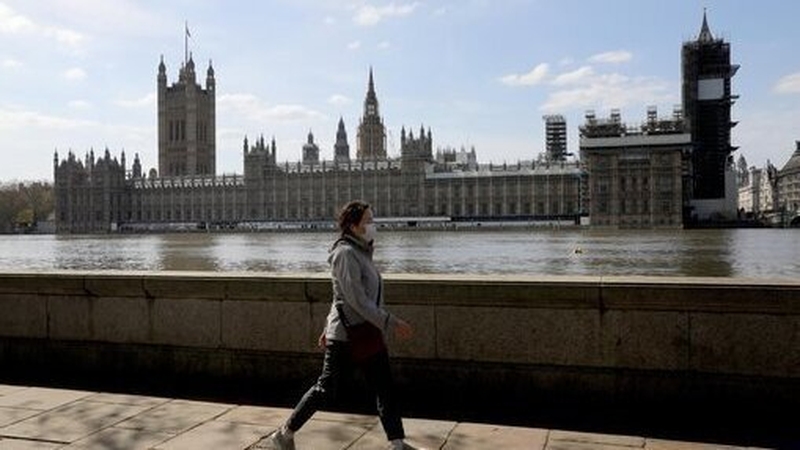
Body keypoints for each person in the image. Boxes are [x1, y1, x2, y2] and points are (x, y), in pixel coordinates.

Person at [258, 200, 415, 450]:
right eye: (368, 221)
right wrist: (390, 322)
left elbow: (340, 295)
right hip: (347, 335)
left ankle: (397, 443)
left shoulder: (361, 252)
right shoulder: (345, 254)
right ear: (353, 226)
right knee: (326, 388)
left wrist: (325, 327)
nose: (373, 225)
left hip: (367, 331)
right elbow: (355, 299)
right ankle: (283, 434)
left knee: (385, 387)